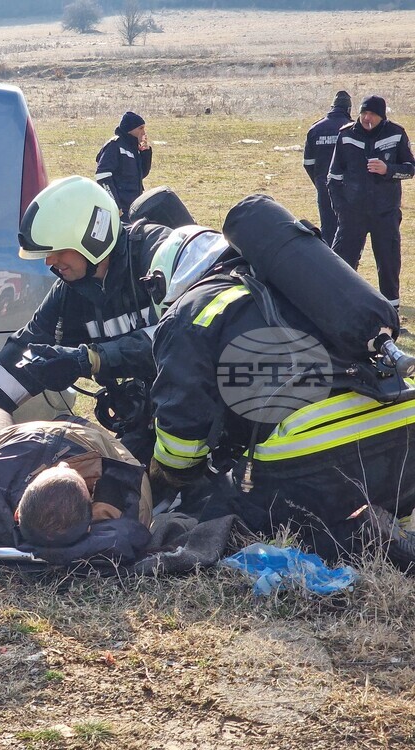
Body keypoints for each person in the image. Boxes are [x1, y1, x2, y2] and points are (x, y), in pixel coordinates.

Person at [147, 195, 415, 566]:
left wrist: (172, 475)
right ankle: (388, 522)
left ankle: (357, 538)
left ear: (166, 279)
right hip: (400, 426)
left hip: (317, 442)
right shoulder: (293, 286)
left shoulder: (189, 313)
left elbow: (183, 427)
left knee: (233, 520)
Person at [0, 175, 174, 463]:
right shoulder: (71, 293)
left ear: (93, 236)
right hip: (151, 417)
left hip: (203, 409)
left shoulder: (158, 256)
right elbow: (19, 356)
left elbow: (179, 337)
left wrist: (90, 358)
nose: (49, 261)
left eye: (58, 249)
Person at [0, 407, 152, 564]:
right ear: (90, 521)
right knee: (70, 418)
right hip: (83, 433)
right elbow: (128, 462)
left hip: (8, 438)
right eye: (72, 474)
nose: (62, 464)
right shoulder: (130, 509)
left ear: (16, 514)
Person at [327, 95, 415, 312]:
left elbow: (410, 169)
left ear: (382, 116)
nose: (367, 118)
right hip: (352, 214)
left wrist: (388, 170)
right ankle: (339, 309)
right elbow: (333, 177)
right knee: (341, 262)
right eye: (364, 113)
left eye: (372, 115)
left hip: (385, 213)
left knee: (388, 265)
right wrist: (341, 209)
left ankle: (390, 313)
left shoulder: (396, 133)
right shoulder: (346, 135)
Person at [303, 90, 351, 243]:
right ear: (348, 109)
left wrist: (318, 181)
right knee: (349, 226)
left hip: (324, 184)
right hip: (348, 186)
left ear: (332, 107)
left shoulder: (315, 129)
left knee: (328, 227)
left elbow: (308, 163)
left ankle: (328, 260)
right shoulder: (353, 129)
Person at [95, 111, 152, 220]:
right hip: (119, 210)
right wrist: (114, 204)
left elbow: (141, 174)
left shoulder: (133, 148)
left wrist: (145, 153)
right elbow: (102, 176)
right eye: (140, 128)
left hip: (133, 207)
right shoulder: (114, 146)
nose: (144, 132)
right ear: (130, 129)